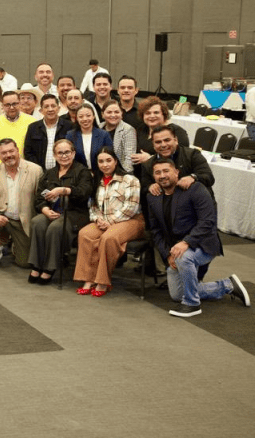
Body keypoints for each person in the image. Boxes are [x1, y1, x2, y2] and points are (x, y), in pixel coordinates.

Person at [148, 157, 249, 318]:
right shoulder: (153, 197)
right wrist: (167, 254)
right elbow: (156, 231)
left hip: (203, 244)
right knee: (177, 294)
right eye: (157, 172)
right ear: (153, 176)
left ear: (176, 172)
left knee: (184, 258)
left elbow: (208, 221)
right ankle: (227, 285)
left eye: (166, 171)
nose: (162, 175)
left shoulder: (195, 189)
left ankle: (192, 304)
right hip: (175, 250)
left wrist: (186, 242)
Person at [74, 147, 145, 296]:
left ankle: (103, 282)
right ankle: (89, 280)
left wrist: (110, 222)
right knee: (85, 234)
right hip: (104, 220)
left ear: (116, 161)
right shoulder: (97, 181)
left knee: (108, 237)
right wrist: (97, 219)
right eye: (101, 161)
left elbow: (131, 207)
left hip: (131, 220)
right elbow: (92, 206)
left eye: (108, 160)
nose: (105, 164)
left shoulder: (130, 180)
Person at [27, 139, 92, 284]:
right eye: (60, 153)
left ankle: (49, 268)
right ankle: (37, 265)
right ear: (55, 155)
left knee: (56, 227)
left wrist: (64, 190)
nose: (64, 156)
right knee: (37, 222)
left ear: (73, 153)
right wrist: (45, 210)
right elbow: (39, 197)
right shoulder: (49, 174)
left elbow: (84, 192)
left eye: (67, 152)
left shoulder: (82, 171)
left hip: (75, 213)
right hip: (52, 211)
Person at [0, 138, 44, 270]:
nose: (8, 155)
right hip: (2, 216)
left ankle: (12, 243)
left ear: (18, 150)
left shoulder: (35, 170)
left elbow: (40, 199)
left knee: (25, 263)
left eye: (11, 151)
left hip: (22, 221)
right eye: (4, 153)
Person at [139, 124, 215, 196]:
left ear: (176, 140)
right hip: (167, 202)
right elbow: (144, 187)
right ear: (153, 145)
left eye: (167, 140)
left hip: (196, 201)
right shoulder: (147, 164)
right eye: (158, 142)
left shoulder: (192, 155)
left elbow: (209, 177)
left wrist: (193, 177)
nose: (163, 145)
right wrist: (150, 187)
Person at [0, 90, 35, 174]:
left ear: (20, 103)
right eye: (8, 105)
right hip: (1, 173)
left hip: (26, 173)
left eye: (14, 104)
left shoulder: (32, 122)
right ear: (2, 106)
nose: (11, 107)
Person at [132, 96, 190, 169]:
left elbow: (181, 159)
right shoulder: (141, 128)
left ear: (164, 114)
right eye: (148, 113)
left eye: (156, 112)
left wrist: (150, 159)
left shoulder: (177, 132)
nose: (152, 116)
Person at [24, 94, 71, 170]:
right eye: (46, 107)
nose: (50, 109)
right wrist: (38, 169)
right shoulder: (33, 127)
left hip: (64, 170)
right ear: (41, 110)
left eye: (53, 106)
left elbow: (73, 150)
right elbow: (28, 152)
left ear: (58, 108)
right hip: (40, 172)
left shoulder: (69, 126)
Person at [66, 104, 112, 173]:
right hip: (78, 174)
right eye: (81, 116)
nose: (85, 119)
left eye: (88, 115)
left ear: (93, 116)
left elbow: (110, 156)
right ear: (77, 118)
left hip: (101, 173)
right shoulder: (70, 135)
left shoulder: (104, 134)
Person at [101, 102, 137, 174]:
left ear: (121, 114)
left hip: (122, 172)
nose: (113, 115)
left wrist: (123, 175)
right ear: (102, 114)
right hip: (102, 171)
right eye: (109, 112)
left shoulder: (128, 129)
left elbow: (129, 157)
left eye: (116, 112)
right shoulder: (99, 127)